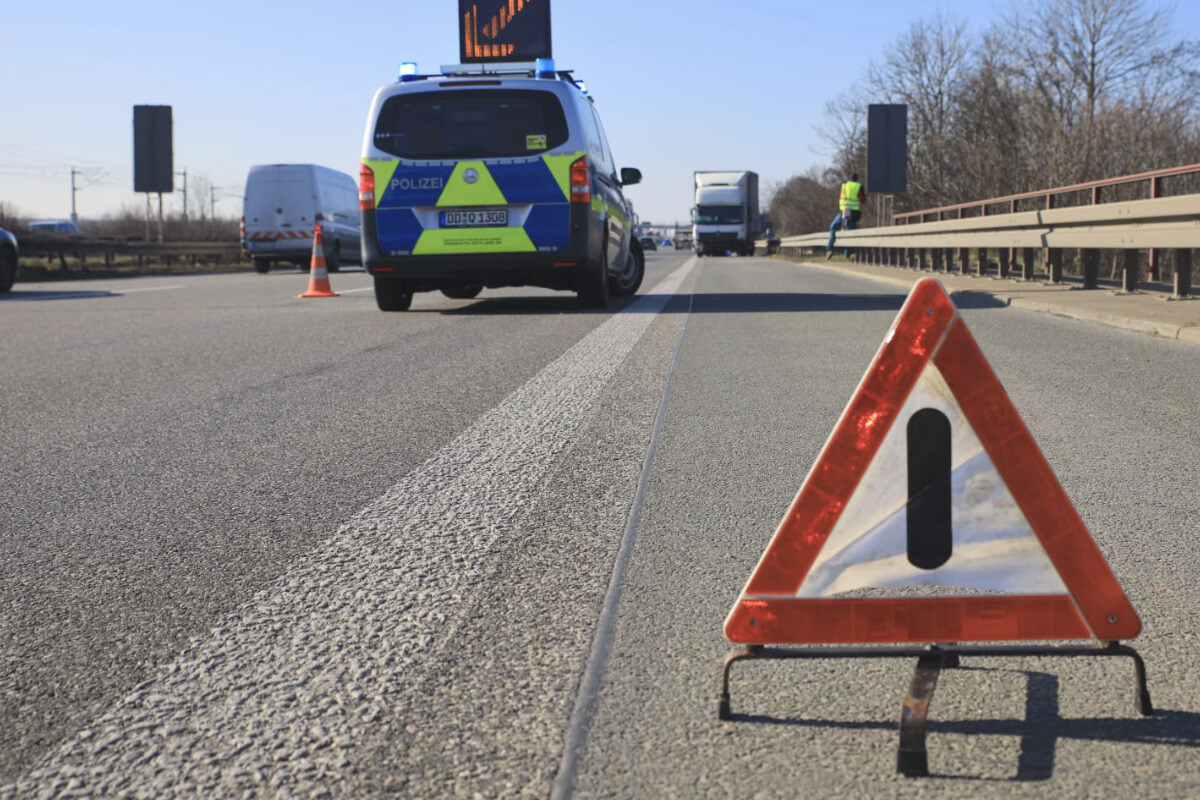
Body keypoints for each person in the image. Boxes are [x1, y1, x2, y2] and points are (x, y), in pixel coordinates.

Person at [826, 172, 866, 258]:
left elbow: (841, 197)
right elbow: (863, 200)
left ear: (849, 179)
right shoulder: (859, 186)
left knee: (833, 227)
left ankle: (829, 248)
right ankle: (847, 254)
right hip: (853, 213)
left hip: (843, 211)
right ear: (856, 179)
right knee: (850, 233)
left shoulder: (844, 186)